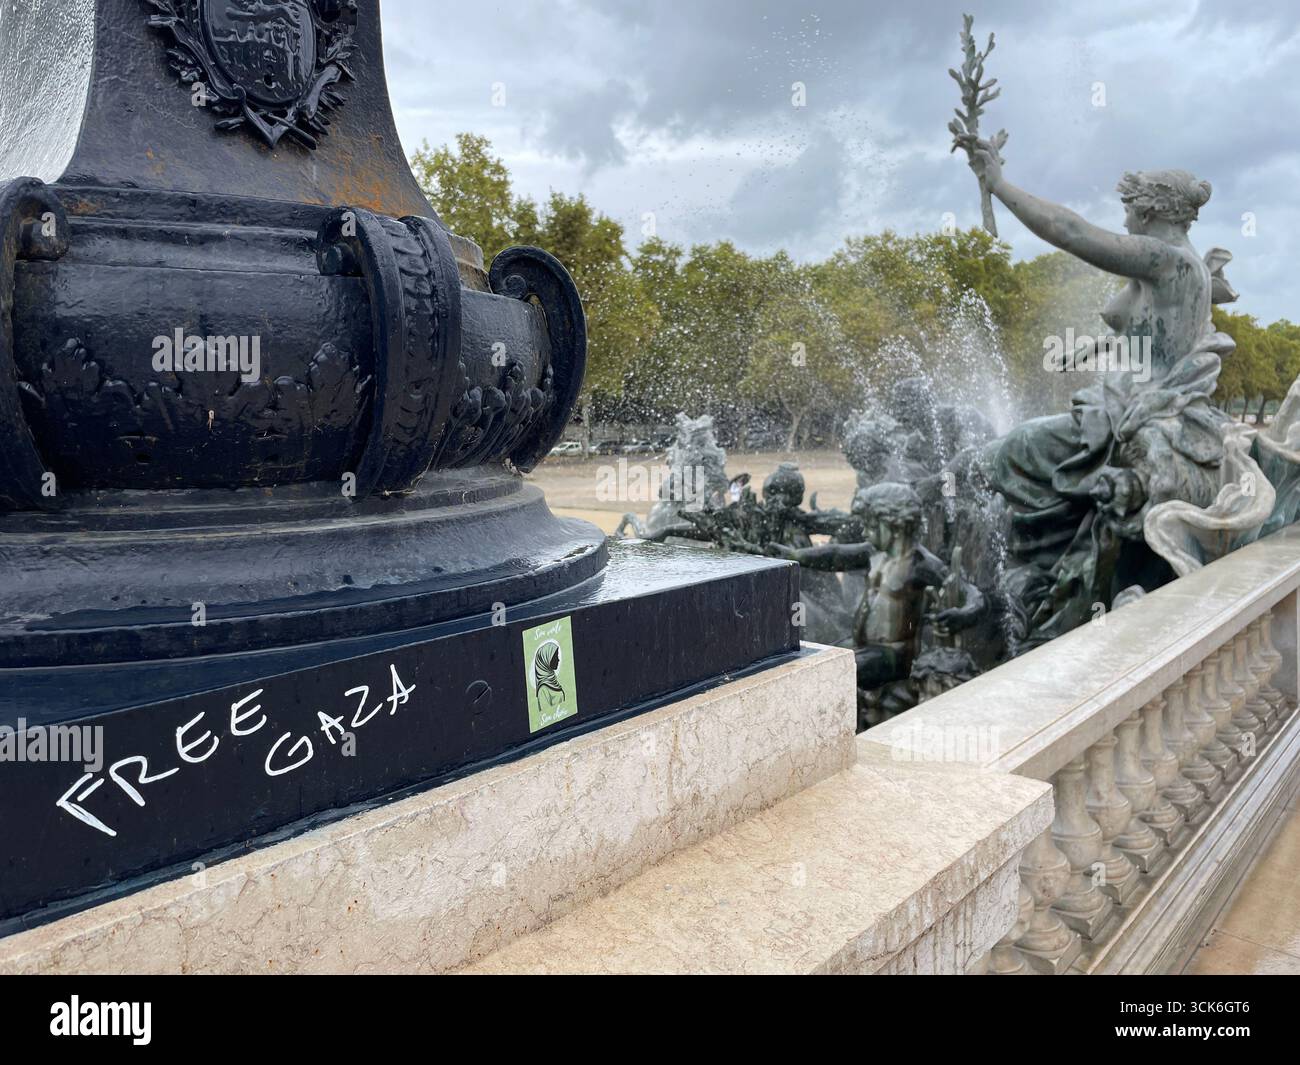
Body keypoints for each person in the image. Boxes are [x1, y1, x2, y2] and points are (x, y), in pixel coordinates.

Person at [964, 137, 1237, 643]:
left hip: (1132, 417)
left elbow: (1071, 232)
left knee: (1004, 455)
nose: (1125, 217)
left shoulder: (1168, 259)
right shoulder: (1184, 266)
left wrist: (999, 184)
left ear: (1149, 208)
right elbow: (1162, 337)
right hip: (1124, 402)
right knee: (1007, 455)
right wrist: (1094, 347)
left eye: (1128, 206)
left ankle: (1006, 595)